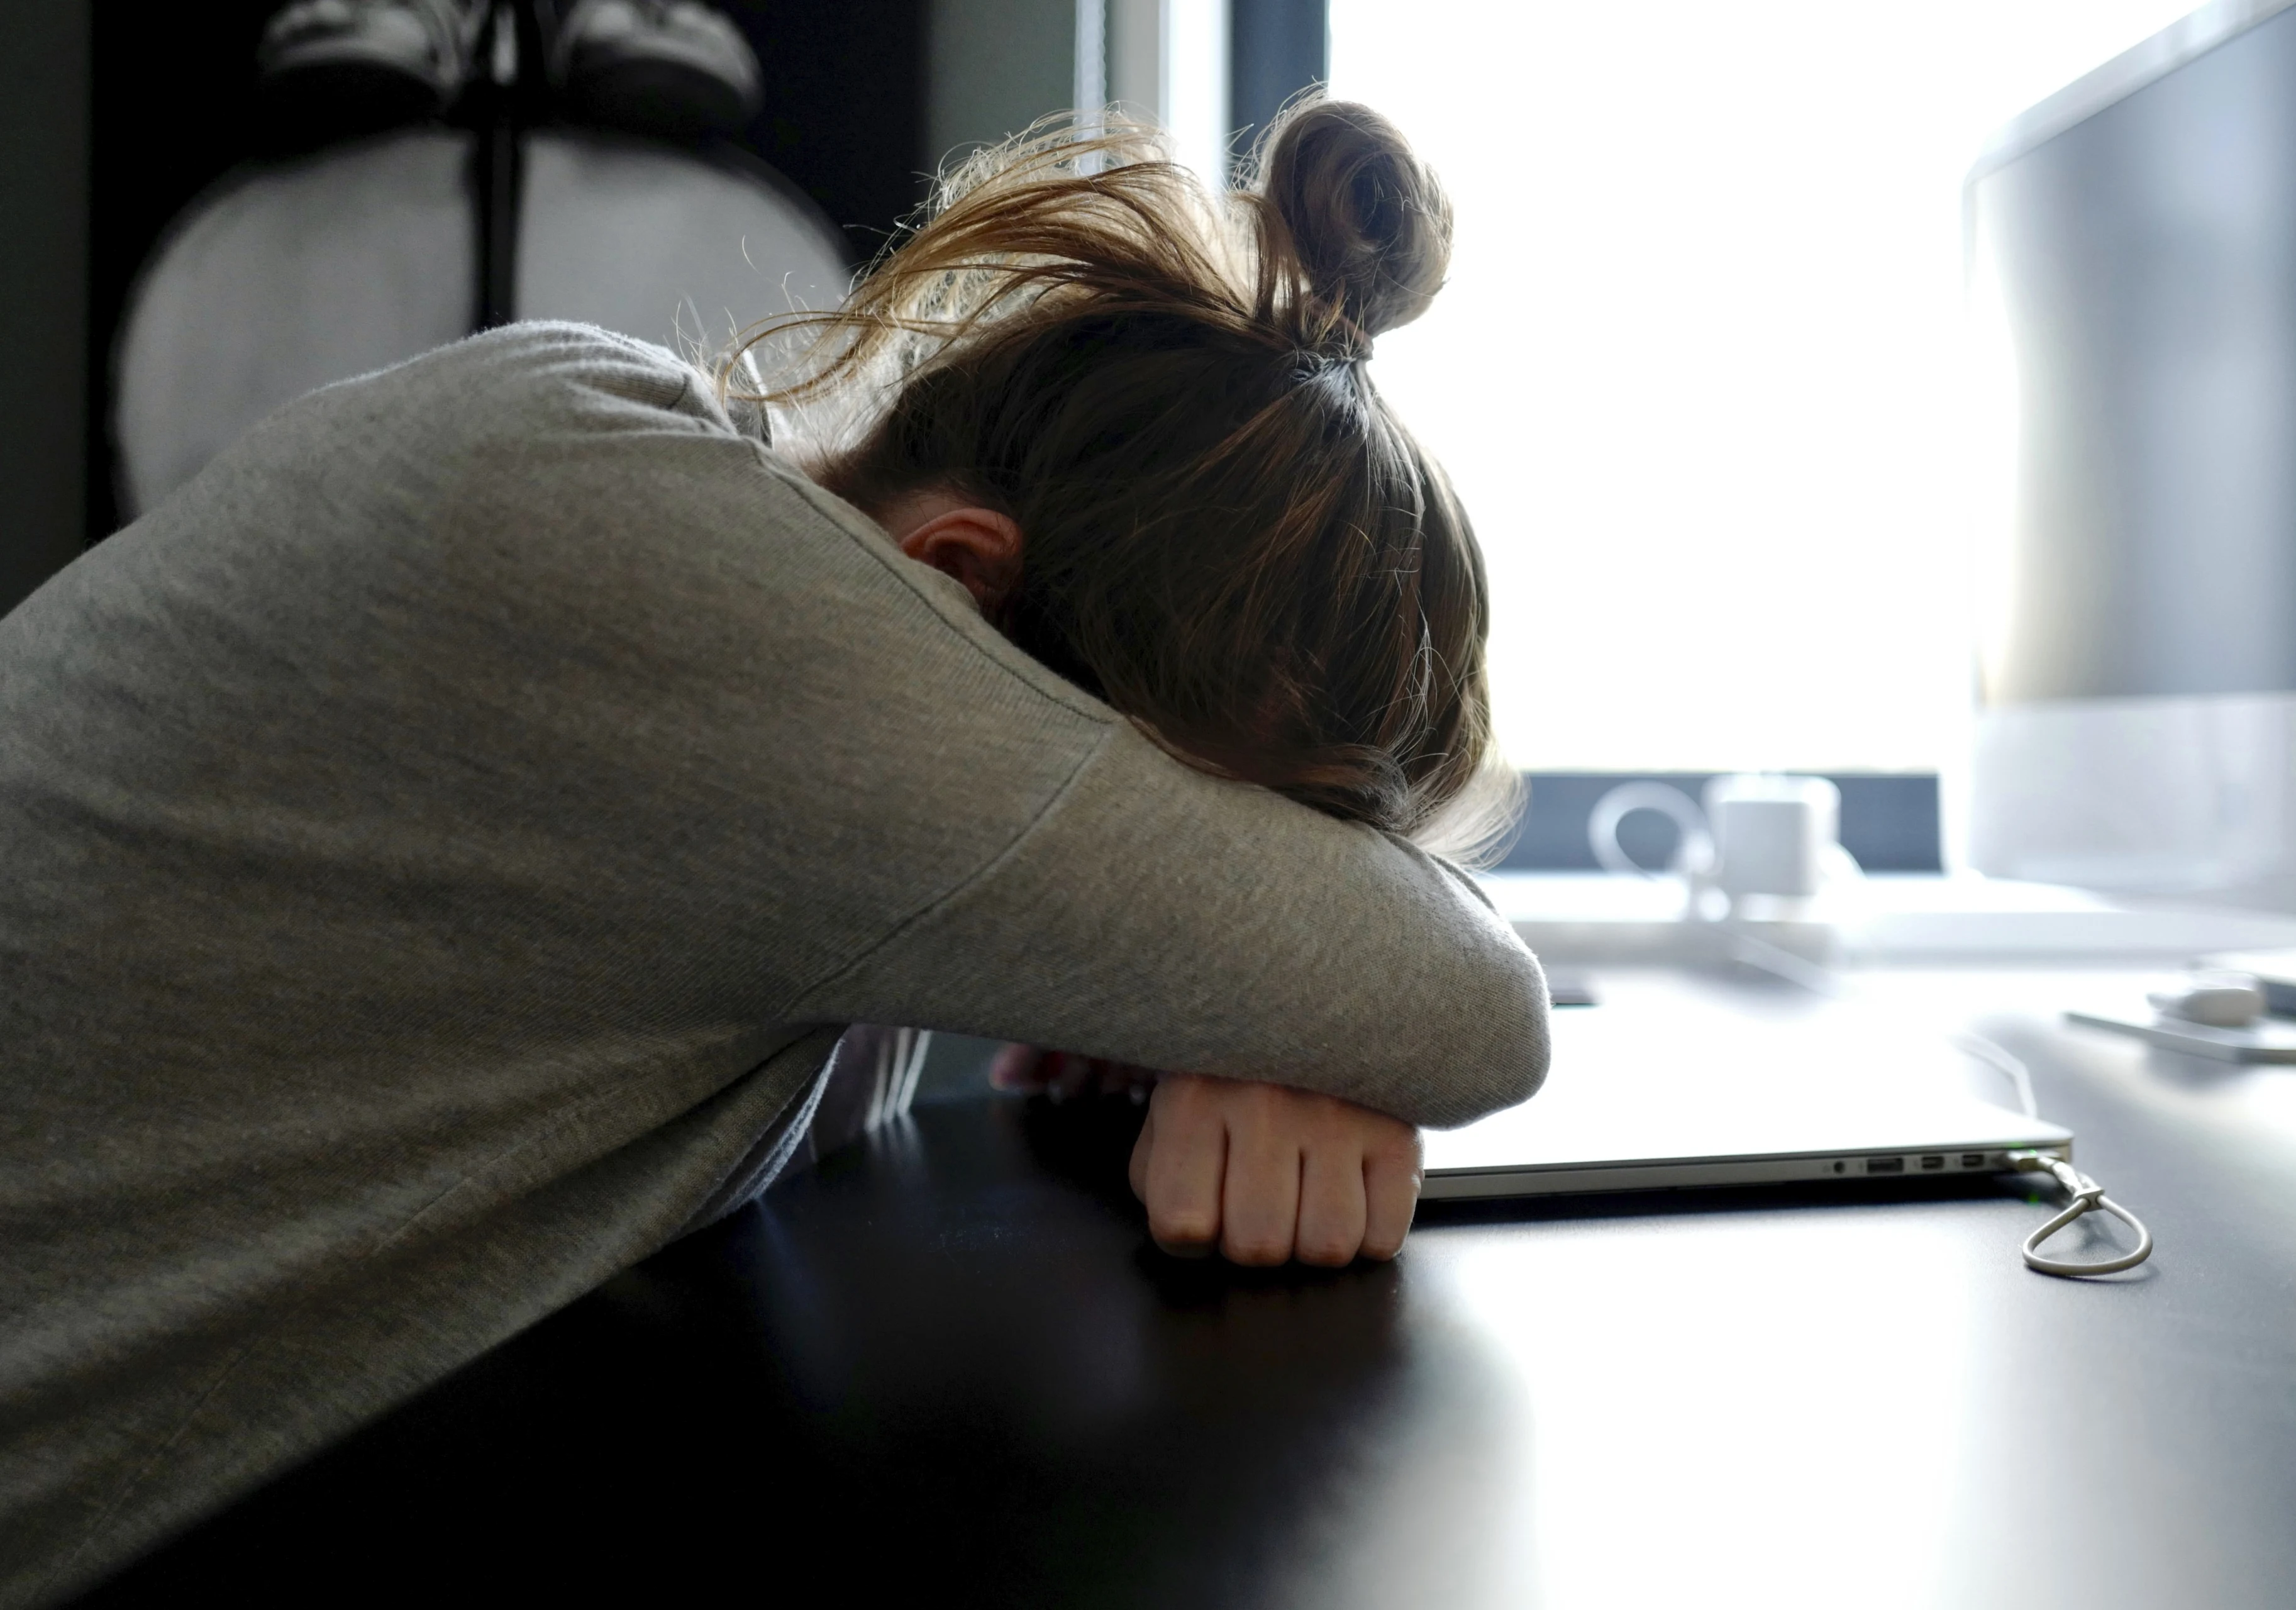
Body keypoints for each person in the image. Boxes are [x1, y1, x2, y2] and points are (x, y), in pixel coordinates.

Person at [0, 100, 1548, 1606]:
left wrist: (1212, 1004)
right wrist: (1285, 990)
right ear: (963, 577)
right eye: (1201, 817)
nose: (1180, 857)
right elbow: (1475, 1007)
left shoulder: (630, 473)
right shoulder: (675, 574)